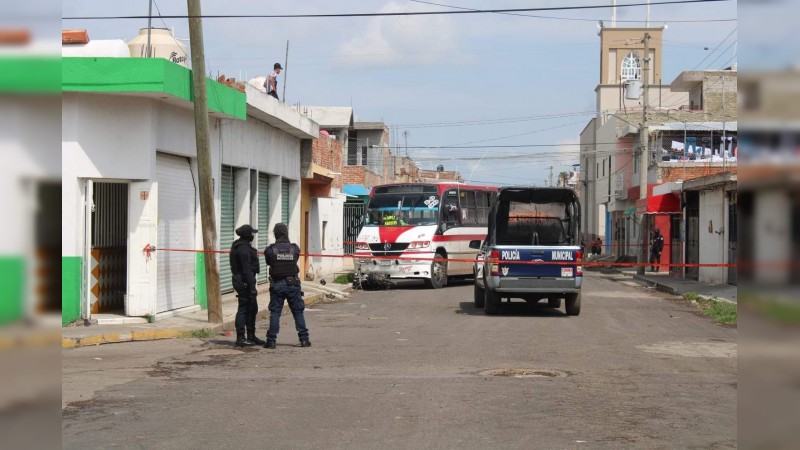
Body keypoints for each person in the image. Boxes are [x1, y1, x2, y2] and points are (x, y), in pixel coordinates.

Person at [263, 223, 310, 349]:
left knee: (275, 313)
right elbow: (294, 259)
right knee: (298, 312)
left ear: (275, 234)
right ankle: (304, 340)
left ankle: (271, 341)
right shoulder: (294, 248)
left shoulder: (270, 250)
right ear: (286, 233)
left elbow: (269, 262)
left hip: (277, 284)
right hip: (293, 284)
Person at [230, 224, 265, 347]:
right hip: (243, 281)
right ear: (247, 235)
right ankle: (240, 338)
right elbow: (246, 269)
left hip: (243, 280)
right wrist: (252, 286)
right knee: (244, 309)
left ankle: (251, 336)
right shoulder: (243, 249)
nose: (253, 236)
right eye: (251, 234)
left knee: (252, 309)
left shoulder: (241, 246)